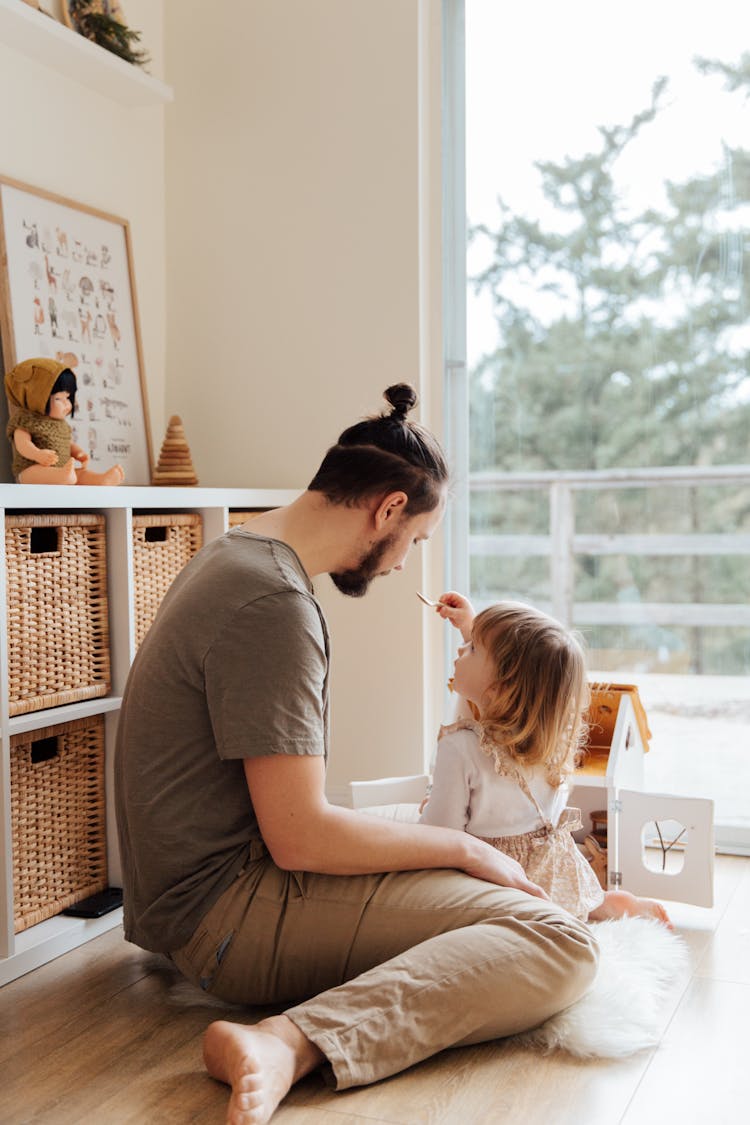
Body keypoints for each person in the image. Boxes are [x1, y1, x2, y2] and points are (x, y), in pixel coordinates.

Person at [114, 385, 598, 1125]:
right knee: (556, 938)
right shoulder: (272, 606)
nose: (405, 564)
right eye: (417, 542)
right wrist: (463, 852)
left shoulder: (237, 556)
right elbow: (300, 835)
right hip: (222, 916)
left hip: (191, 900)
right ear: (389, 509)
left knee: (483, 894)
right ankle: (288, 1039)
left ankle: (293, 1030)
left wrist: (443, 850)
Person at [421, 591, 672, 927]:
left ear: (501, 688)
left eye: (473, 648)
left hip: (498, 877)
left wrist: (428, 808)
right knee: (567, 908)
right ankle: (606, 905)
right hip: (551, 862)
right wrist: (469, 628)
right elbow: (490, 687)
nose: (460, 650)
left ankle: (589, 910)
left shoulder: (459, 747)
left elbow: (439, 835)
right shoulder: (544, 739)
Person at [4, 356, 124, 485]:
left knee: (80, 474)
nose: (67, 404)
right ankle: (62, 477)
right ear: (36, 398)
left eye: (67, 398)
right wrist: (37, 454)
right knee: (38, 473)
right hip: (32, 467)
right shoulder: (24, 421)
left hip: (62, 468)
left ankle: (100, 480)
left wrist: (78, 452)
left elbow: (68, 443)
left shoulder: (61, 425)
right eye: (58, 399)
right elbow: (22, 445)